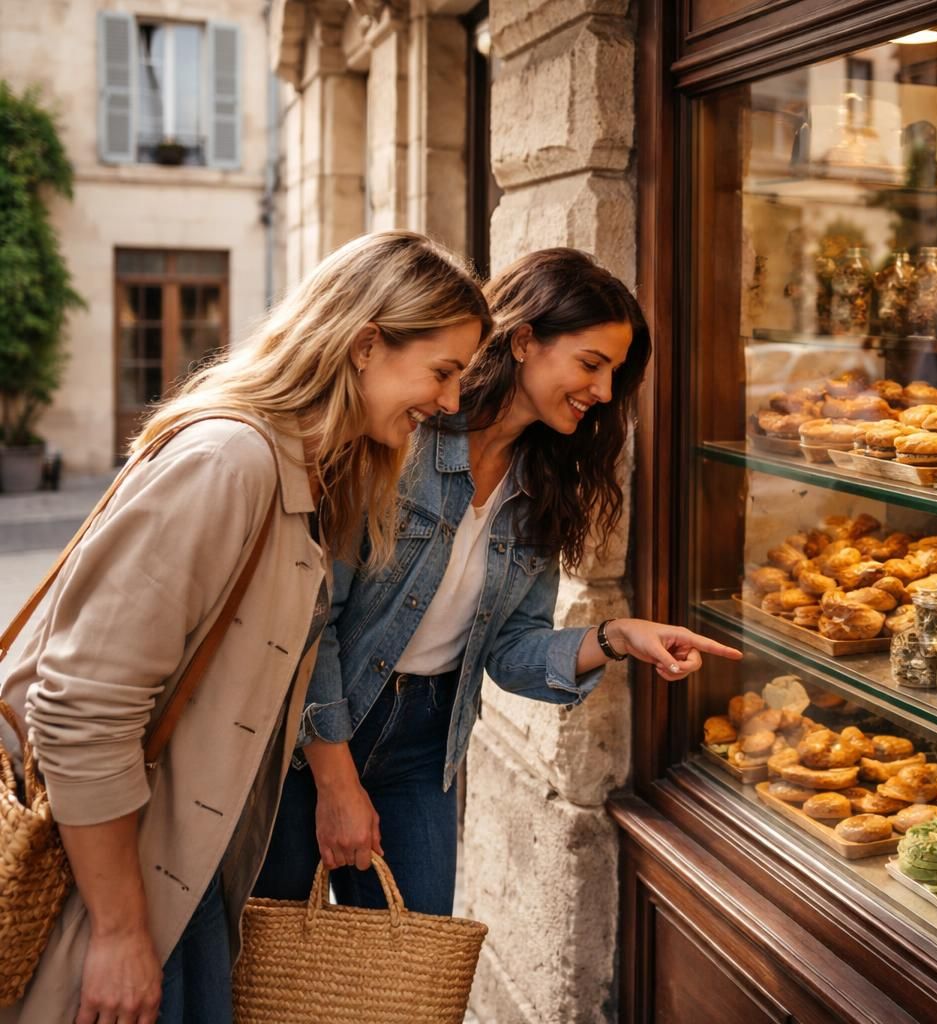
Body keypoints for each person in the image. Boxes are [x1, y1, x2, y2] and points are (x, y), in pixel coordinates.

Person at [0, 230, 492, 1024]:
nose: (450, 403)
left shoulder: (297, 471)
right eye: (443, 372)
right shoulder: (233, 461)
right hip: (127, 889)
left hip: (179, 879)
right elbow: (81, 705)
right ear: (367, 344)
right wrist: (122, 933)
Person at [254, 248, 740, 915]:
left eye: (613, 375)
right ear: (524, 341)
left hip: (424, 742)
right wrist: (337, 780)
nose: (602, 393)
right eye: (591, 364)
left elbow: (510, 653)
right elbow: (316, 619)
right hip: (312, 737)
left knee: (411, 978)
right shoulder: (403, 434)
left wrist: (616, 637)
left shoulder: (541, 486)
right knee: (270, 963)